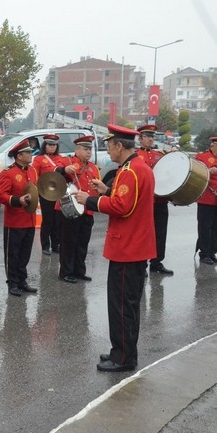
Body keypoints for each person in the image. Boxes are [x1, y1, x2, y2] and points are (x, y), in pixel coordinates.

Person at [75, 124, 156, 372]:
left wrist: (89, 199)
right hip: (133, 246)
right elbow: (127, 199)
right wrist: (107, 190)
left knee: (122, 306)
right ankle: (120, 350)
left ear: (120, 146)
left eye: (109, 146)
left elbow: (122, 207)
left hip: (128, 247)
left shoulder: (131, 171)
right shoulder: (135, 167)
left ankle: (124, 358)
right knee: (125, 304)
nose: (108, 151)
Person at [54, 136, 100, 283]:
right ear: (77, 150)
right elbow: (53, 172)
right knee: (68, 241)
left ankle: (79, 270)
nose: (89, 152)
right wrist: (64, 170)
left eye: (90, 149)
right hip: (70, 209)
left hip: (87, 209)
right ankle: (66, 272)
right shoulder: (67, 161)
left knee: (82, 242)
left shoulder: (93, 167)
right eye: (85, 149)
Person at [0, 139, 39, 297]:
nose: (31, 155)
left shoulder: (32, 171)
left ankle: (22, 280)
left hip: (30, 219)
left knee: (25, 253)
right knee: (13, 254)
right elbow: (1, 195)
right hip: (14, 220)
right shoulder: (9, 173)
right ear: (19, 156)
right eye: (28, 153)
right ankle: (12, 282)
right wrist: (17, 200)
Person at [136, 124, 173, 275]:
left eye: (152, 136)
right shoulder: (136, 155)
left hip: (160, 201)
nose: (150, 139)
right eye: (147, 136)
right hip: (145, 202)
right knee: (144, 234)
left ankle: (157, 262)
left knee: (160, 232)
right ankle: (141, 264)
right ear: (140, 138)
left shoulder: (159, 155)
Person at [32, 134, 63, 255]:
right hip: (45, 193)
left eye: (54, 145)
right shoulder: (38, 159)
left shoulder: (61, 158)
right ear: (45, 145)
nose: (52, 147)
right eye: (50, 145)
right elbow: (35, 176)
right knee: (48, 219)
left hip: (58, 193)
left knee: (57, 220)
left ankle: (56, 244)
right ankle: (45, 245)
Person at [194, 136, 217, 265]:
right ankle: (204, 253)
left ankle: (212, 252)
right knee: (205, 227)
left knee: (216, 228)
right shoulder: (202, 157)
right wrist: (208, 171)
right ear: (212, 146)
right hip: (207, 198)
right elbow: (196, 173)